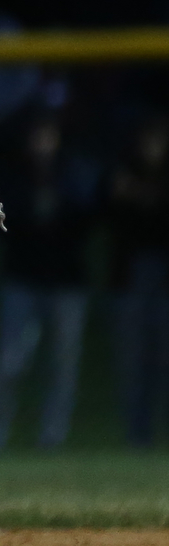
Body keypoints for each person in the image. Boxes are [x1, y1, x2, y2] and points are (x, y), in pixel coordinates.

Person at [0, 113, 96, 450]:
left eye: (48, 136)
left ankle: (52, 439)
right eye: (37, 136)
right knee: (10, 361)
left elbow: (86, 218)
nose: (42, 144)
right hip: (24, 280)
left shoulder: (73, 174)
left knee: (63, 366)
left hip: (67, 282)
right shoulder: (15, 176)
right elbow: (4, 220)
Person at [106, 114, 169, 446]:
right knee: (133, 359)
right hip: (131, 276)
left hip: (162, 277)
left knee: (162, 358)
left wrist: (141, 195)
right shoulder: (123, 169)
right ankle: (137, 433)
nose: (153, 147)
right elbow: (109, 214)